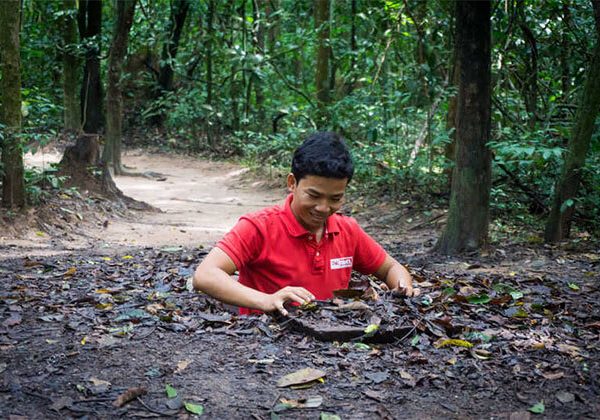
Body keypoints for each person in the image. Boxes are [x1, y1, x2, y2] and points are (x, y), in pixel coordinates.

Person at [193, 131, 415, 316]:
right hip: (265, 344)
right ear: (292, 183)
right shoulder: (259, 227)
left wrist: (403, 289)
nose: (323, 208)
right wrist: (267, 300)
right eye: (314, 195)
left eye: (335, 198)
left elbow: (391, 268)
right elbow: (205, 275)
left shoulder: (347, 230)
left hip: (334, 346)